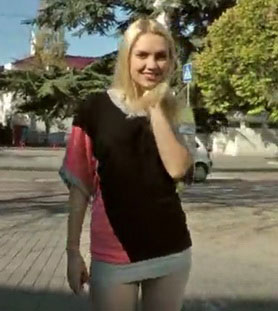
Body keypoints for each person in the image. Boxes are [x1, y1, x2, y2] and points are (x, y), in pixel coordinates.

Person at [60, 18, 193, 311]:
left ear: (171, 61)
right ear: (127, 57)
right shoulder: (94, 108)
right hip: (113, 253)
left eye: (161, 56)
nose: (152, 64)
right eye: (142, 55)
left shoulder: (179, 109)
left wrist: (156, 107)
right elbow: (80, 184)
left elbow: (177, 169)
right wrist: (72, 251)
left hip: (170, 249)